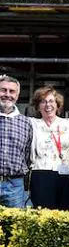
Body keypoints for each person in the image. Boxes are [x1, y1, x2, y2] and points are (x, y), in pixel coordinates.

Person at [27, 85, 69, 209]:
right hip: (41, 174)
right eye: (43, 102)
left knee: (65, 215)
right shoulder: (31, 124)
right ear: (38, 106)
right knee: (42, 214)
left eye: (51, 101)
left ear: (57, 104)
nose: (48, 105)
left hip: (67, 174)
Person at [0, 73, 33, 208]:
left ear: (17, 96)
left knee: (15, 227)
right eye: (3, 90)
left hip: (15, 186)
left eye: (12, 91)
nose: (7, 94)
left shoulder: (26, 123)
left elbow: (27, 154)